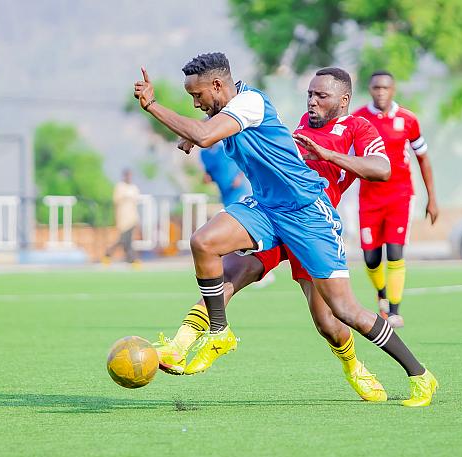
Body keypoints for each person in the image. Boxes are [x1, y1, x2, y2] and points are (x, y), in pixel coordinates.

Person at [134, 53, 437, 406]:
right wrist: (199, 130)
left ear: (343, 100)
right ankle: (198, 338)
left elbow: (382, 169)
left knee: (337, 316)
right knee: (209, 248)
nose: (312, 101)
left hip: (308, 218)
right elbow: (228, 124)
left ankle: (410, 374)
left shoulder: (356, 126)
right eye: (309, 94)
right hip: (268, 209)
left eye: (321, 95)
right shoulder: (293, 123)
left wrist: (330, 155)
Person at [353, 71, 439, 328]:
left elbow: (423, 158)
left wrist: (432, 198)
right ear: (370, 89)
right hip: (369, 198)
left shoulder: (408, 120)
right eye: (376, 87)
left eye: (385, 87)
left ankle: (394, 311)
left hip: (399, 196)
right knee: (370, 258)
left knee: (394, 253)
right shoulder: (358, 119)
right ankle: (381, 293)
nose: (381, 92)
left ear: (393, 90)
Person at [104, 168, 140, 264]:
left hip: (132, 218)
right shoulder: (120, 187)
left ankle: (130, 259)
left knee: (127, 240)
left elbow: (136, 202)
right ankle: (110, 254)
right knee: (124, 239)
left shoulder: (134, 188)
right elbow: (116, 200)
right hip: (123, 218)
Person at [200, 141, 252, 206]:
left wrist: (239, 177)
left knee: (242, 208)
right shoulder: (204, 154)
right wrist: (208, 177)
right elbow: (210, 171)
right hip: (225, 192)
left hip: (239, 189)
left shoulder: (226, 148)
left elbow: (244, 161)